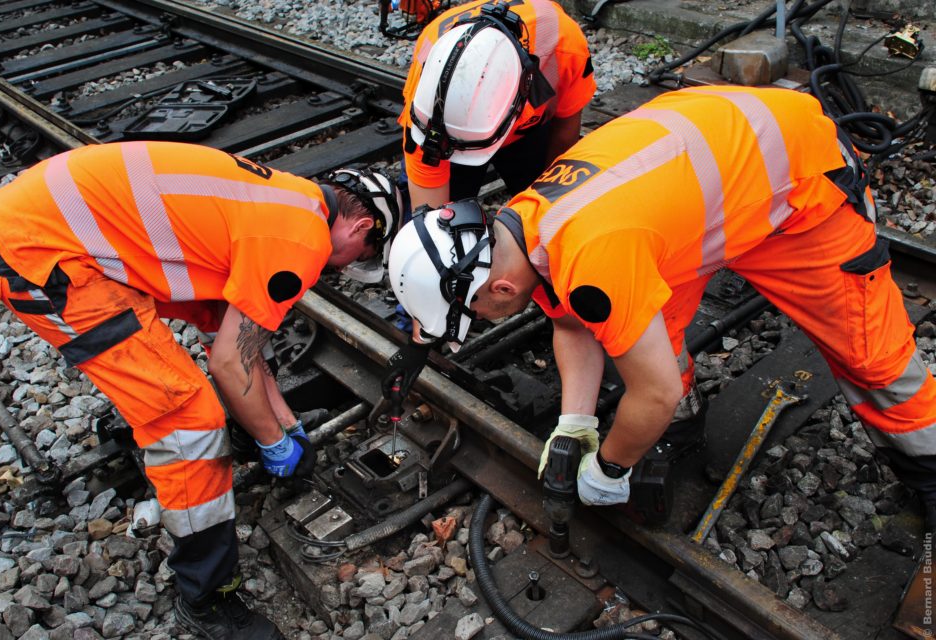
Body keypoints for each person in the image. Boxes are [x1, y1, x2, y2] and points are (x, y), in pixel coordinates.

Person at [386, 86, 936, 525]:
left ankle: (928, 466)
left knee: (872, 358)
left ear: (500, 288)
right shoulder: (527, 220)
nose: (478, 321)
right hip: (714, 166)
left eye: (472, 314)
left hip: (800, 180)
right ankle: (681, 429)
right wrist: (575, 422)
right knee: (650, 334)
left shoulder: (594, 258)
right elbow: (574, 322)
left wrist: (609, 467)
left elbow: (655, 391)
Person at [0, 142, 401, 639]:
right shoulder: (303, 242)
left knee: (207, 342)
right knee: (187, 420)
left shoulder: (288, 200)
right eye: (359, 259)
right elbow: (229, 361)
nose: (343, 269)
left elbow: (232, 335)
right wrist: (273, 443)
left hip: (41, 220)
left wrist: (285, 423)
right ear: (362, 226)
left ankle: (231, 455)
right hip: (39, 255)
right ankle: (206, 596)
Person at [399, 0, 596, 210]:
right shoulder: (425, 103)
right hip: (442, 141)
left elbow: (565, 131)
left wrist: (547, 209)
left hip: (529, 130)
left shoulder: (563, 46)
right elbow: (428, 217)